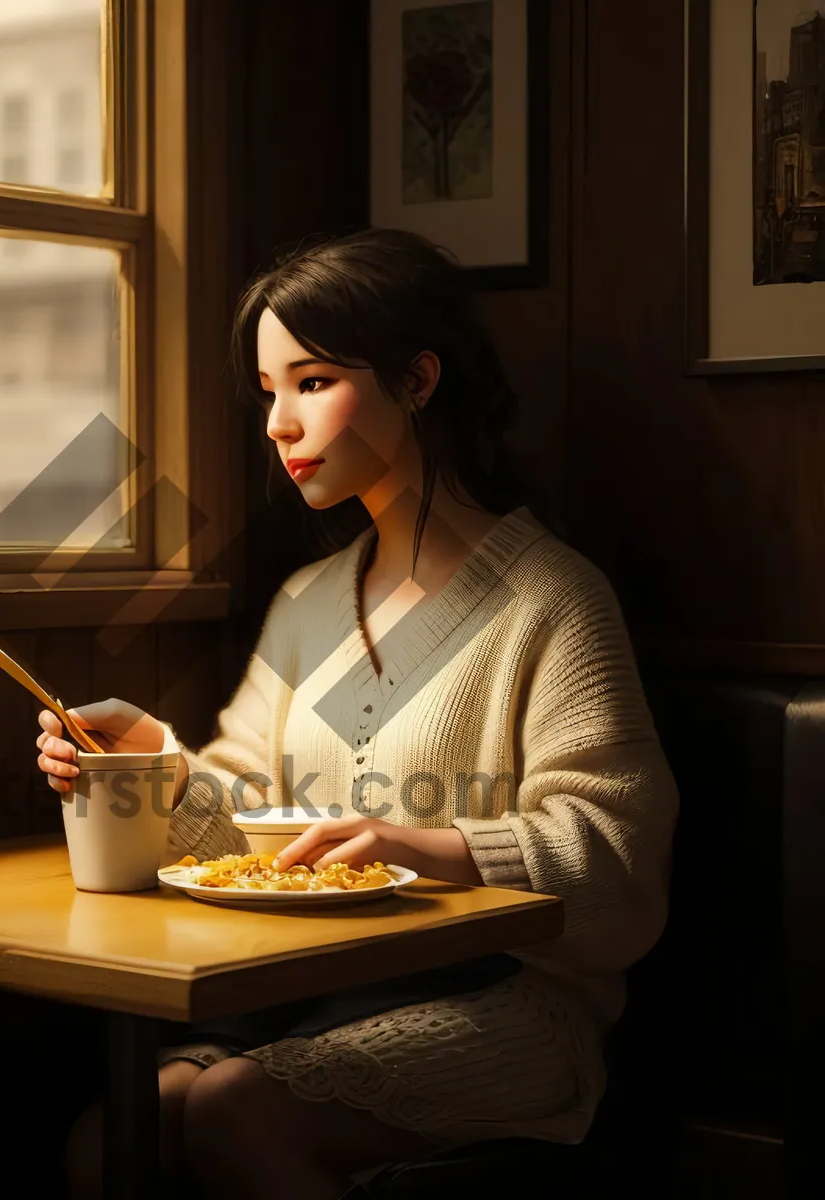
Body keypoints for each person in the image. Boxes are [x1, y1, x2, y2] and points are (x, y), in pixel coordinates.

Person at [36, 228, 679, 1200]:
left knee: (229, 1114)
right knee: (113, 1135)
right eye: (268, 393)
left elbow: (616, 857)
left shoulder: (552, 600)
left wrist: (416, 845)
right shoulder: (307, 600)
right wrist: (149, 764)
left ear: (418, 381)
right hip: (305, 989)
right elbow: (247, 807)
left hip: (508, 998)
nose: (277, 427)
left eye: (312, 382)